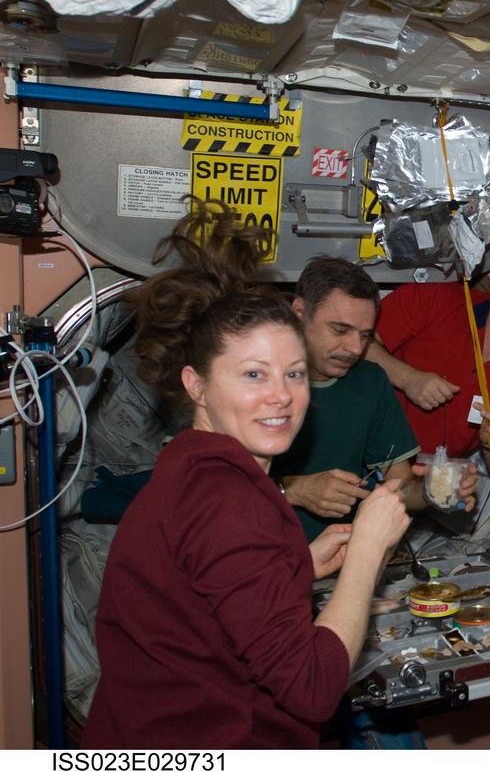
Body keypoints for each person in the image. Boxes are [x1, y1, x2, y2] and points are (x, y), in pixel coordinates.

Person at [83, 202, 410, 748]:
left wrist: (297, 567)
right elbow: (312, 686)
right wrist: (369, 553)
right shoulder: (228, 499)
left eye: (294, 373)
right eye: (253, 374)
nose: (280, 395)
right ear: (196, 385)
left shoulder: (196, 468)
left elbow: (205, 605)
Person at [367, 248, 490, 537]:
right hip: (356, 460)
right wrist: (407, 378)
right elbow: (352, 344)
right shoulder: (437, 298)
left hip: (420, 492)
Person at [272, 255, 474, 542]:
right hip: (257, 565)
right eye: (340, 330)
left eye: (365, 335)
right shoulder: (253, 381)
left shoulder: (369, 382)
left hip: (341, 567)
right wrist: (289, 490)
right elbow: (200, 486)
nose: (355, 348)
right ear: (299, 313)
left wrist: (437, 487)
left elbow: (399, 486)